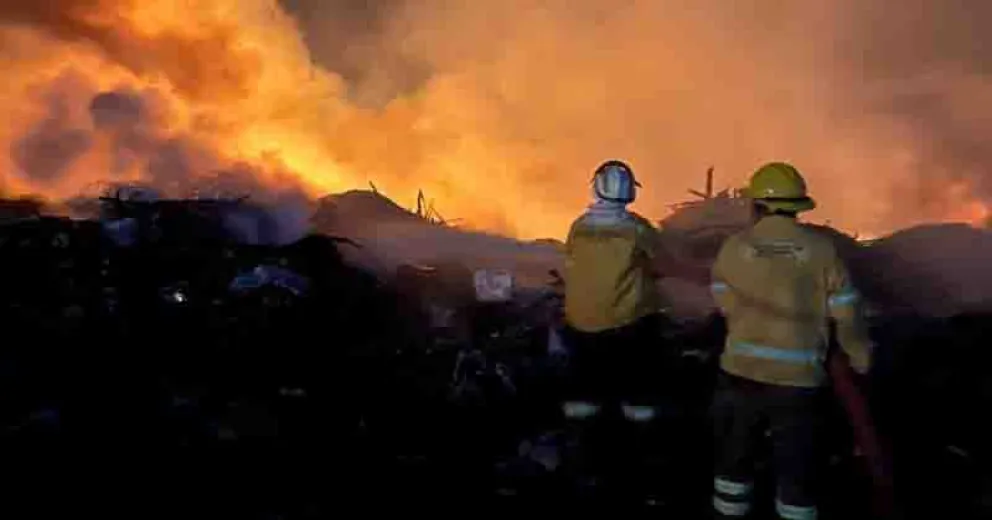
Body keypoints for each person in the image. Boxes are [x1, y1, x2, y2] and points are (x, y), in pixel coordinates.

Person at [708, 162, 874, 519]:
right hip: (799, 382)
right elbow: (847, 312)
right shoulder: (822, 251)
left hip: (741, 373)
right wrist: (860, 358)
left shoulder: (734, 247)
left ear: (757, 204)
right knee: (797, 470)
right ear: (798, 205)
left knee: (733, 466)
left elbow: (723, 299)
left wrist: (749, 321)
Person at [559, 159, 669, 492]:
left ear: (596, 188)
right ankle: (642, 468)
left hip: (580, 327)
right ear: (631, 192)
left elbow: (573, 263)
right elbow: (661, 265)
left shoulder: (578, 227)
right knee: (639, 397)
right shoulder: (637, 229)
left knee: (583, 398)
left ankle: (582, 466)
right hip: (629, 327)